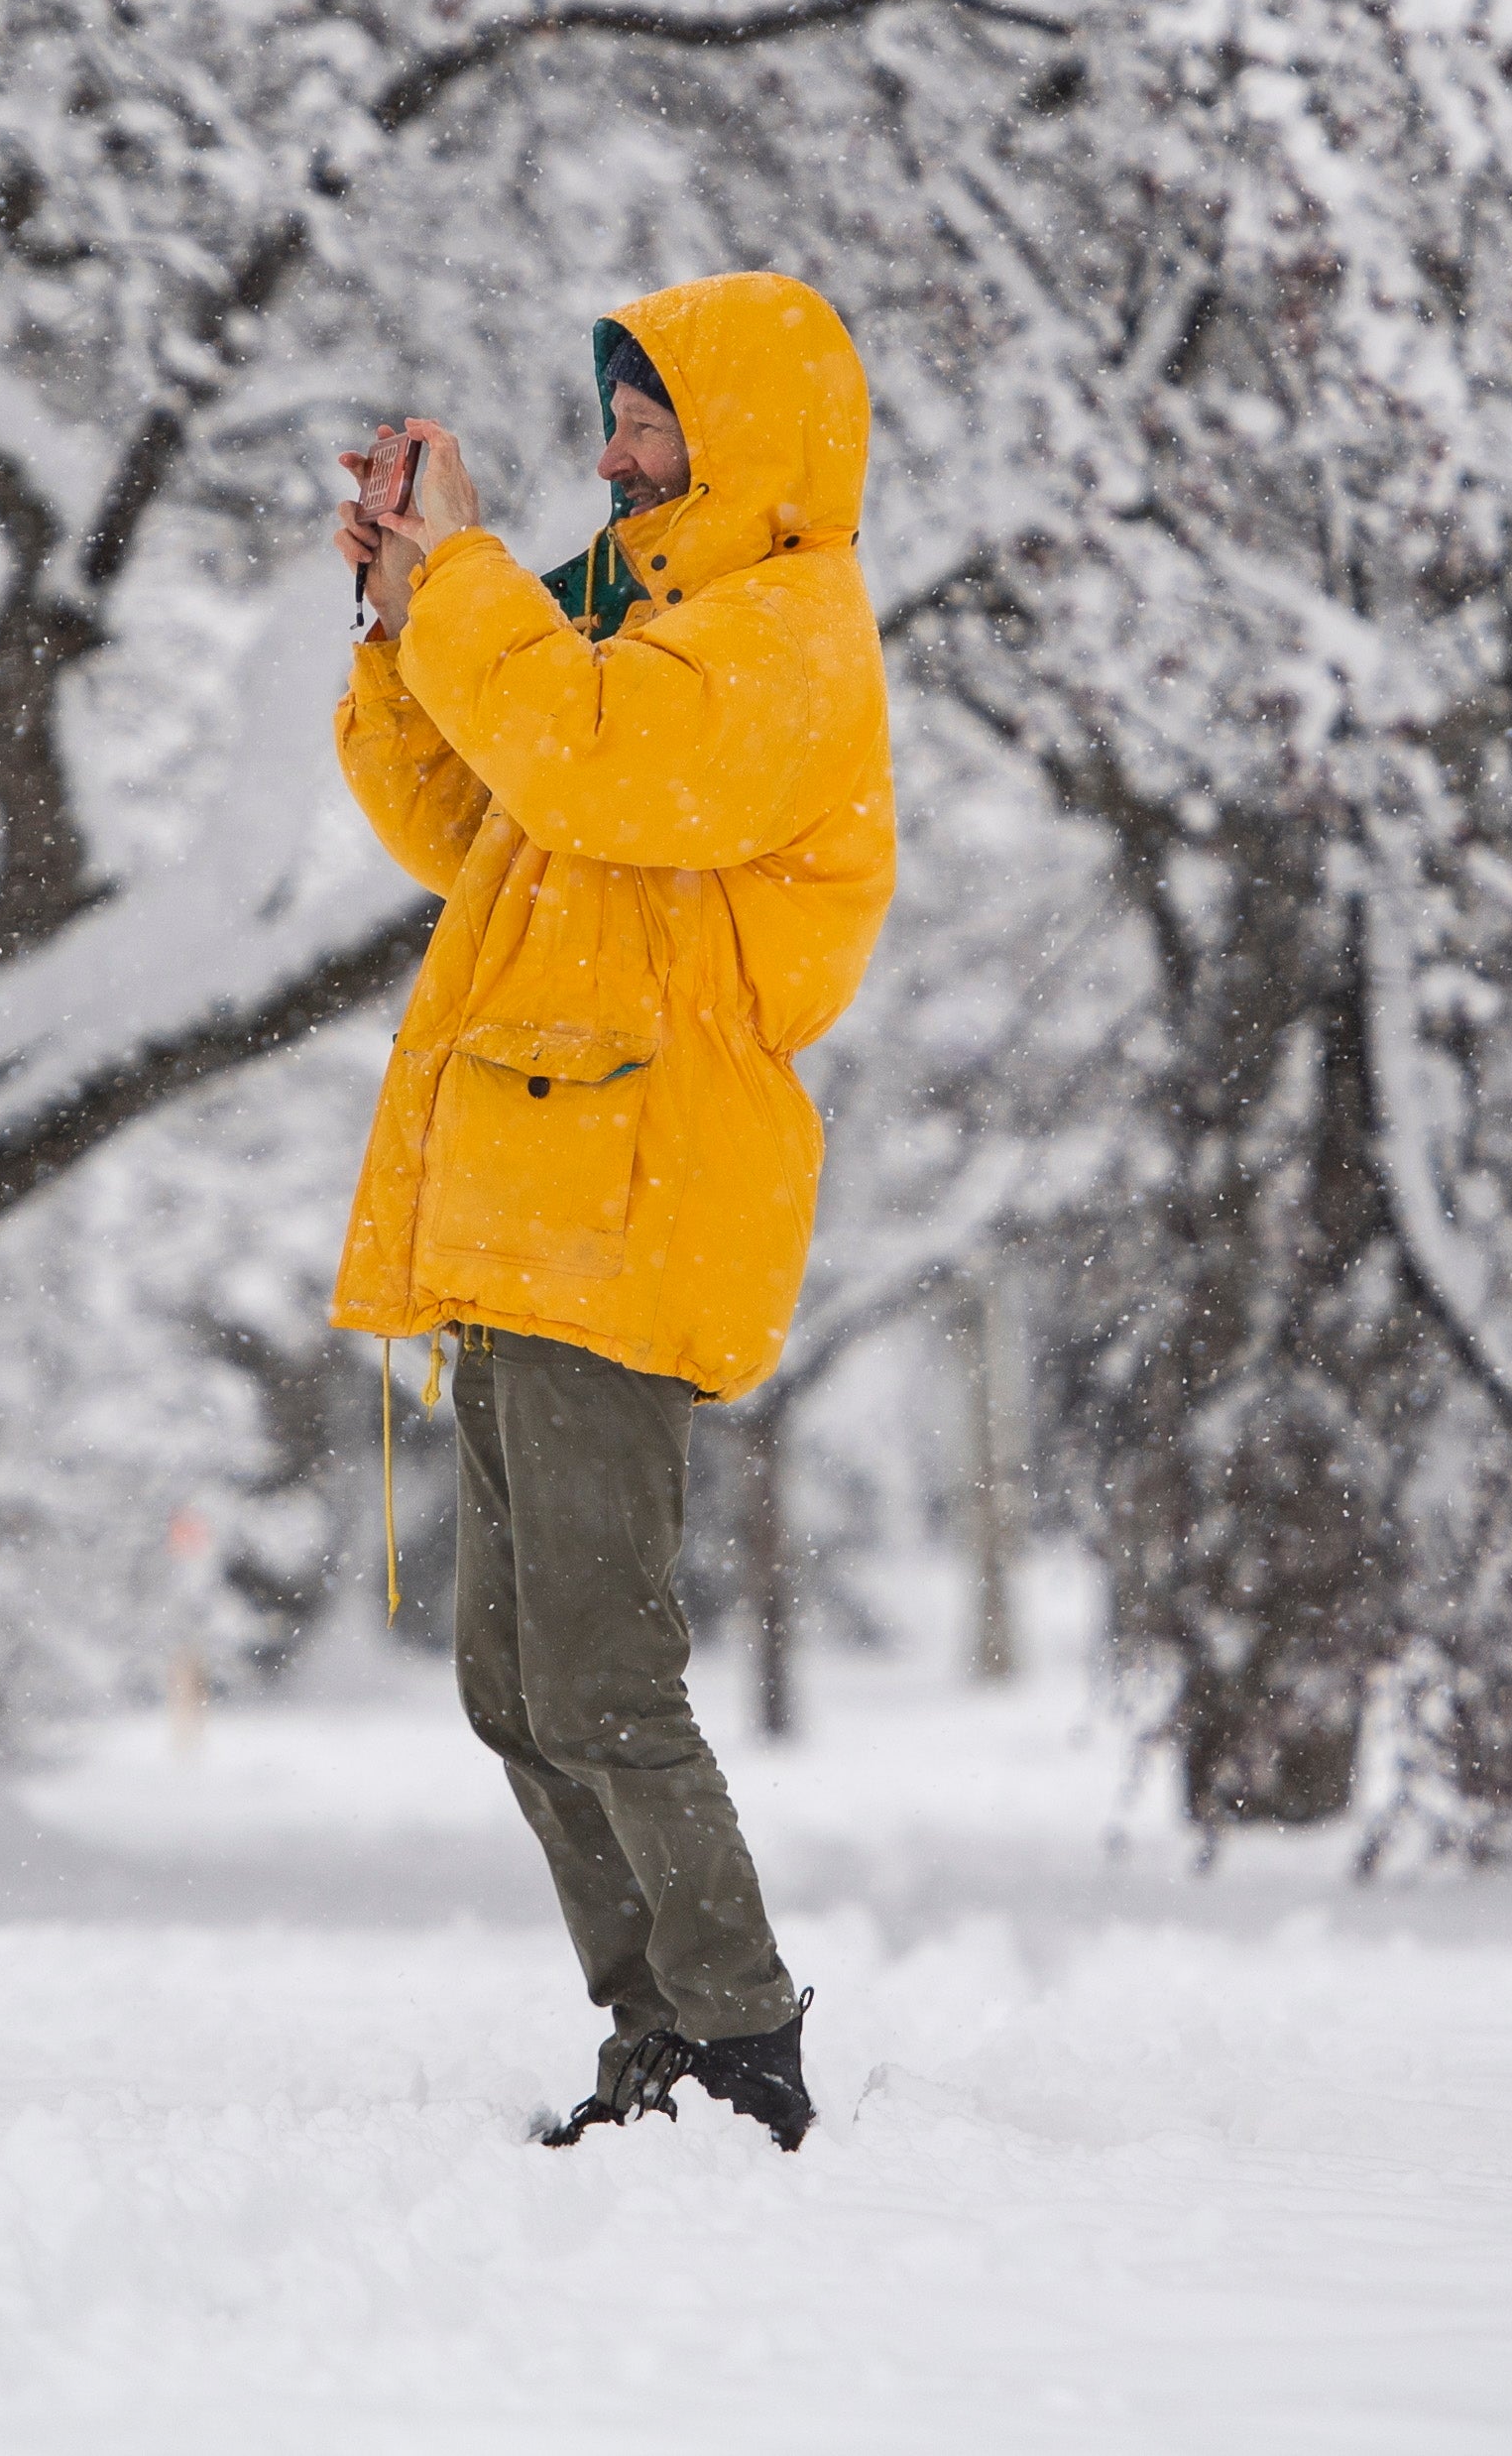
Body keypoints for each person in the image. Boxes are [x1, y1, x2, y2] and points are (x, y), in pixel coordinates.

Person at [324, 278, 893, 2155]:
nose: (611, 452)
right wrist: (406, 616)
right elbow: (468, 813)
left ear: (737, 435)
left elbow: (581, 752)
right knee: (514, 1681)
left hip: (634, 1211)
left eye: (643, 423)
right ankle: (659, 2036)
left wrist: (475, 571)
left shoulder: (780, 636)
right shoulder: (628, 620)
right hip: (535, 1203)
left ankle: (735, 2039)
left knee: (598, 1671)